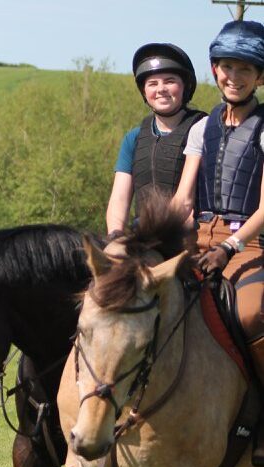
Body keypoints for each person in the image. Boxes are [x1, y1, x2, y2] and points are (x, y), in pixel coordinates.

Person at [173, 20, 264, 380]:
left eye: (245, 69)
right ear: (215, 69)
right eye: (227, 66)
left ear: (260, 77)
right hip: (198, 236)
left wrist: (228, 247)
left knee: (251, 313)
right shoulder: (201, 128)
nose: (234, 77)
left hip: (248, 244)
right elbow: (183, 198)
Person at [106, 43, 203, 240]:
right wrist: (115, 235)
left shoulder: (203, 130)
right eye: (152, 84)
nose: (161, 89)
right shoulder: (134, 138)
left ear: (185, 86)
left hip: (190, 235)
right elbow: (119, 198)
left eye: (170, 81)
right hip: (144, 237)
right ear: (144, 91)